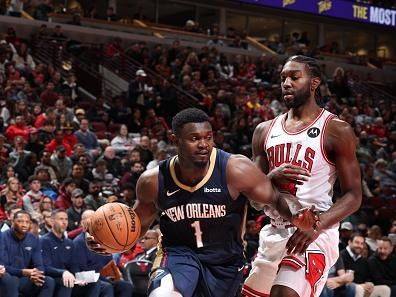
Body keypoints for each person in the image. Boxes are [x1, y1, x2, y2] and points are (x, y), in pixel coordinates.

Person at [87, 107, 318, 297]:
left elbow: (275, 198)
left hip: (225, 261)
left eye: (208, 137)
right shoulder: (153, 181)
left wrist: (297, 215)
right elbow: (138, 225)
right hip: (177, 254)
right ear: (174, 140)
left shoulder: (235, 169)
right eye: (194, 138)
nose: (204, 144)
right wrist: (109, 241)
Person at [242, 55, 362, 297]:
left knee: (284, 293)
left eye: (294, 77)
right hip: (275, 232)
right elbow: (255, 201)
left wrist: (316, 227)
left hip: (313, 234)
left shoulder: (336, 130)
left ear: (314, 83)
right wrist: (269, 179)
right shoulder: (264, 131)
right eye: (283, 78)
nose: (286, 82)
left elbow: (353, 195)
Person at [0, 210, 55, 297]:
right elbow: (2, 267)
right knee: (11, 280)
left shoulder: (34, 239)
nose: (24, 224)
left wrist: (36, 275)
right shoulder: (2, 237)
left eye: (27, 222)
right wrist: (22, 272)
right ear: (12, 222)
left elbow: (39, 265)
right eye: (20, 221)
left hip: (25, 279)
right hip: (8, 277)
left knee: (48, 281)